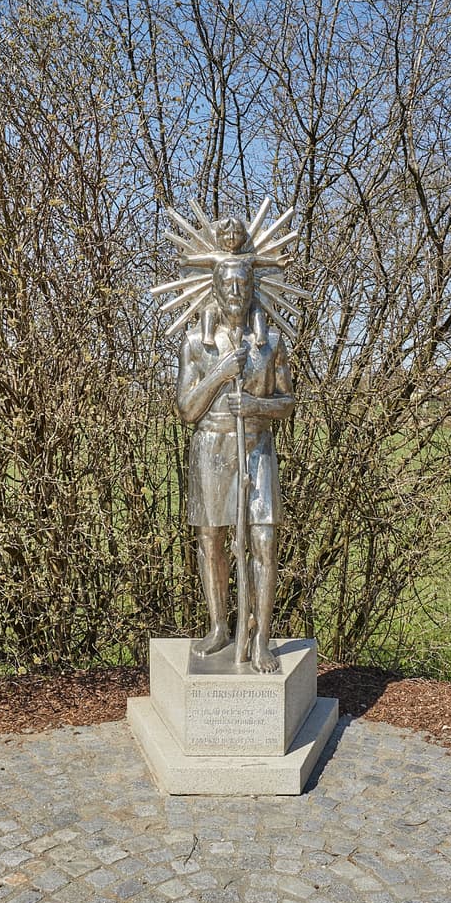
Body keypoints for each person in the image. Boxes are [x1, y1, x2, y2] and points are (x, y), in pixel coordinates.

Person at [174, 221, 295, 671]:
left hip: (256, 447)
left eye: (244, 282)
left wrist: (257, 404)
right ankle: (220, 626)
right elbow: (186, 409)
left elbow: (288, 402)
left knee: (264, 541)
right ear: (214, 286)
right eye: (227, 283)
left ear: (255, 285)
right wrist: (221, 372)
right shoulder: (195, 343)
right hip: (211, 449)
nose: (235, 291)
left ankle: (261, 637)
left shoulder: (272, 342)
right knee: (212, 540)